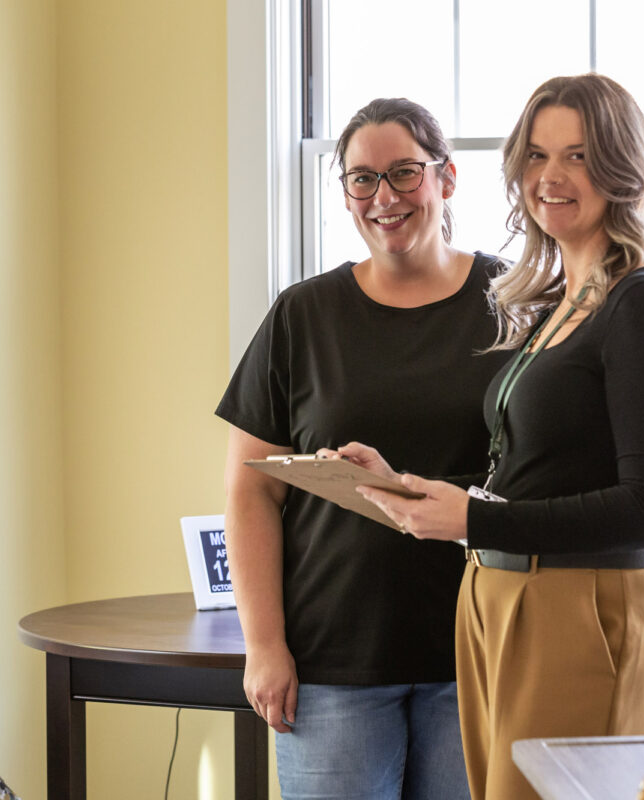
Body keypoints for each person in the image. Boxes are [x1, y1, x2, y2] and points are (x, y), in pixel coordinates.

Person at [340, 75, 644, 800]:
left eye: (578, 156)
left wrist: (476, 518)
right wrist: (426, 492)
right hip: (509, 602)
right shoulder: (563, 302)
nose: (550, 178)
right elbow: (544, 470)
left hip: (592, 618)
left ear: (624, 168)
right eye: (537, 156)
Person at [215, 97, 511, 800]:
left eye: (405, 173)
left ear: (446, 178)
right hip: (333, 663)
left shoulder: (514, 304)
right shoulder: (302, 314)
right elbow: (251, 488)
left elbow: (542, 479)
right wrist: (264, 645)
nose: (384, 197)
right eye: (361, 179)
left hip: (477, 652)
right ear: (344, 191)